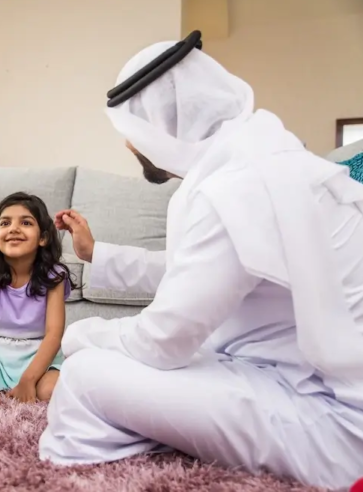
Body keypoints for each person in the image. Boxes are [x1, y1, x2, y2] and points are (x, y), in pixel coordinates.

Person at [38, 35, 363, 490]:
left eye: (132, 134)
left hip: (334, 426)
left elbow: (162, 343)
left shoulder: (234, 187)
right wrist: (98, 255)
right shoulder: (269, 158)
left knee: (85, 375)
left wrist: (79, 336)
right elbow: (195, 268)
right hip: (297, 379)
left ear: (156, 128)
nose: (130, 148)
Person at [0, 193, 75, 406]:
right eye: (6, 223)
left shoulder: (55, 275)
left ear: (42, 238)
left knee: (51, 391)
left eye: (25, 222)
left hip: (38, 353)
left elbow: (54, 333)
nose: (14, 228)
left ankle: (26, 383)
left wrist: (28, 380)